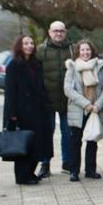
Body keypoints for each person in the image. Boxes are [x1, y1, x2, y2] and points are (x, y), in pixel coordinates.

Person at [3, 35, 53, 185]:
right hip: (22, 112)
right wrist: (11, 114)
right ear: (20, 46)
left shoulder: (36, 63)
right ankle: (22, 176)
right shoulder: (14, 65)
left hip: (38, 111)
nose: (30, 46)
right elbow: (10, 91)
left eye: (31, 43)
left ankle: (31, 172)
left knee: (37, 143)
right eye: (26, 43)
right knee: (23, 144)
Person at [64, 40, 103, 182]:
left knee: (92, 140)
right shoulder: (72, 68)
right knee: (75, 142)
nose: (85, 52)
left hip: (95, 109)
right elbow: (68, 89)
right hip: (78, 110)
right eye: (82, 50)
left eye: (88, 50)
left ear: (92, 51)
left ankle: (90, 170)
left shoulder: (100, 67)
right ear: (78, 52)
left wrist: (97, 105)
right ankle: (74, 171)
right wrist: (86, 104)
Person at [36, 21, 73, 178]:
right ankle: (45, 164)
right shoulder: (40, 50)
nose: (59, 33)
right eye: (55, 31)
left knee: (67, 133)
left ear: (65, 32)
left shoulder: (72, 49)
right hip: (47, 100)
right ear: (49, 32)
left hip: (67, 100)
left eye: (61, 31)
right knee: (46, 133)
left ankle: (67, 163)